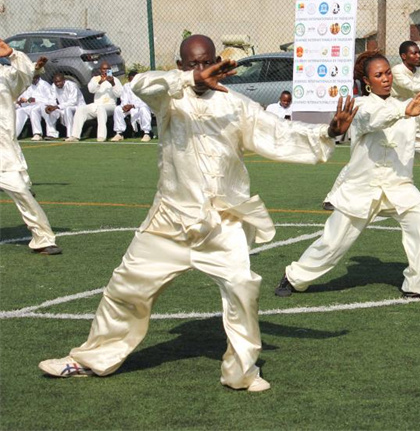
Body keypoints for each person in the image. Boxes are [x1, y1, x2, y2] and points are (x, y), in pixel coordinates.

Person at [38, 35, 357, 392]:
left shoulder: (237, 105)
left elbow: (279, 135)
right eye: (192, 65)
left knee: (242, 289)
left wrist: (328, 133)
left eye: (206, 63)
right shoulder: (169, 100)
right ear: (180, 67)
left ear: (219, 61)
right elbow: (140, 83)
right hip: (169, 220)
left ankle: (241, 372)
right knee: (126, 287)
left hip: (222, 223)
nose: (201, 71)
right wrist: (189, 82)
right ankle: (89, 359)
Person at [276, 50, 420, 301]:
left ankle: (416, 285)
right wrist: (404, 112)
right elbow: (373, 120)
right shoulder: (360, 106)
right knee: (333, 243)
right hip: (362, 188)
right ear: (367, 82)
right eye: (378, 75)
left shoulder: (405, 106)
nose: (386, 78)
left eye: (388, 72)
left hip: (398, 185)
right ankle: (294, 277)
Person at [322, 40, 420, 210]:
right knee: (361, 160)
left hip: (408, 121)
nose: (418, 56)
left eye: (418, 52)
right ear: (404, 56)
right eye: (414, 53)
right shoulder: (397, 72)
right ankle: (333, 198)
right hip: (387, 119)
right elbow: (417, 87)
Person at [0, 40, 62, 255]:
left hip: (2, 153)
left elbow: (25, 76)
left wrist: (13, 55)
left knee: (20, 190)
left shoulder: (6, 76)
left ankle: (43, 239)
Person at [67, 60, 122, 142]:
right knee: (81, 109)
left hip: (110, 106)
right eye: (103, 69)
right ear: (100, 70)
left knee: (101, 108)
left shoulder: (115, 80)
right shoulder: (95, 79)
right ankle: (75, 136)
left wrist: (112, 83)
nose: (105, 71)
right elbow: (91, 90)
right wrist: (100, 82)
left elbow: (119, 94)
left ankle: (101, 136)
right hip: (96, 105)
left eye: (108, 69)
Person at [15, 57, 54, 140]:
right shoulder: (28, 85)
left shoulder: (44, 85)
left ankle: (37, 134)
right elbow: (24, 98)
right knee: (19, 111)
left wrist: (31, 100)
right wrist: (21, 101)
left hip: (42, 106)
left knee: (34, 110)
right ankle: (14, 134)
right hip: (29, 106)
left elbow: (50, 100)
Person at [110, 70, 153, 142]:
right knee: (118, 109)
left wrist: (133, 106)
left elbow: (145, 102)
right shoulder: (126, 86)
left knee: (144, 109)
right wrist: (125, 106)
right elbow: (124, 99)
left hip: (140, 107)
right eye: (131, 81)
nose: (132, 83)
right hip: (129, 108)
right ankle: (119, 133)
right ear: (128, 79)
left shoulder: (143, 87)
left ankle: (147, 133)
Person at [44, 73, 85, 140]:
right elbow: (52, 99)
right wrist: (50, 106)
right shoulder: (54, 86)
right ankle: (52, 134)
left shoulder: (72, 85)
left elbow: (73, 102)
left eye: (59, 81)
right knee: (51, 111)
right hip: (62, 107)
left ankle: (70, 135)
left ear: (64, 80)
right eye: (55, 82)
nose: (57, 84)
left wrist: (57, 107)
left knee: (67, 109)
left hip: (78, 107)